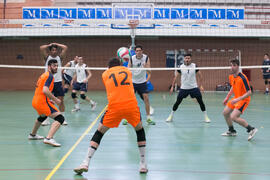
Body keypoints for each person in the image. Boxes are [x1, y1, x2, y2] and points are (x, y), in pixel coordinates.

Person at [74, 58, 148, 174]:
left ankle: (85, 162)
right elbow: (126, 68)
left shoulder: (105, 74)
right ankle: (143, 164)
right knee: (139, 130)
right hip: (131, 106)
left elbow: (111, 73)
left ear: (109, 67)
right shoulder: (127, 71)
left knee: (99, 132)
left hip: (115, 107)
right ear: (120, 64)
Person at [28, 59, 65, 147]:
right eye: (54, 66)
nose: (56, 67)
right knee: (60, 118)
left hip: (36, 101)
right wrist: (56, 99)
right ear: (49, 67)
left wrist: (49, 99)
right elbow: (45, 90)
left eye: (57, 66)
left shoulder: (43, 75)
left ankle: (32, 135)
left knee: (42, 116)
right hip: (41, 102)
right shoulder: (50, 76)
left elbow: (40, 89)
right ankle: (49, 138)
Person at [166, 54, 211, 123]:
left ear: (191, 59)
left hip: (194, 87)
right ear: (184, 59)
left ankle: (206, 117)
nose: (187, 59)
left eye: (188, 58)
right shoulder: (181, 67)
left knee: (200, 101)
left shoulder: (194, 66)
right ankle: (171, 116)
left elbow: (200, 76)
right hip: (184, 88)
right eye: (186, 58)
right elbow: (176, 77)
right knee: (177, 102)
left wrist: (201, 85)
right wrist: (172, 86)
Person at [222, 59, 258, 141]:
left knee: (233, 117)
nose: (232, 67)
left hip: (244, 99)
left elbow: (249, 92)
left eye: (234, 65)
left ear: (238, 66)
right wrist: (227, 97)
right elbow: (233, 87)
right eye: (231, 65)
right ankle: (231, 131)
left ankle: (251, 129)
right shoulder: (231, 76)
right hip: (236, 98)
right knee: (225, 113)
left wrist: (238, 99)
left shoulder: (243, 78)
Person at [125, 45, 155, 125]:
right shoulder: (132, 58)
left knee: (146, 99)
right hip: (133, 82)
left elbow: (149, 72)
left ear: (142, 51)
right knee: (129, 101)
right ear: (135, 52)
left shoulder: (146, 58)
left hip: (142, 82)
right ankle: (127, 118)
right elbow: (128, 70)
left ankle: (148, 118)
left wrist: (146, 68)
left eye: (140, 50)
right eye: (137, 51)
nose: (138, 52)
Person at [40, 43, 68, 125]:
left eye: (56, 50)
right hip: (48, 82)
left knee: (61, 101)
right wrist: (49, 45)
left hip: (58, 82)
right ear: (50, 51)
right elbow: (41, 48)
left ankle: (63, 118)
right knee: (47, 101)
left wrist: (56, 44)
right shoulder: (47, 58)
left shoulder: (60, 58)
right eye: (53, 50)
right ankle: (46, 119)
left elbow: (65, 47)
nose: (54, 51)